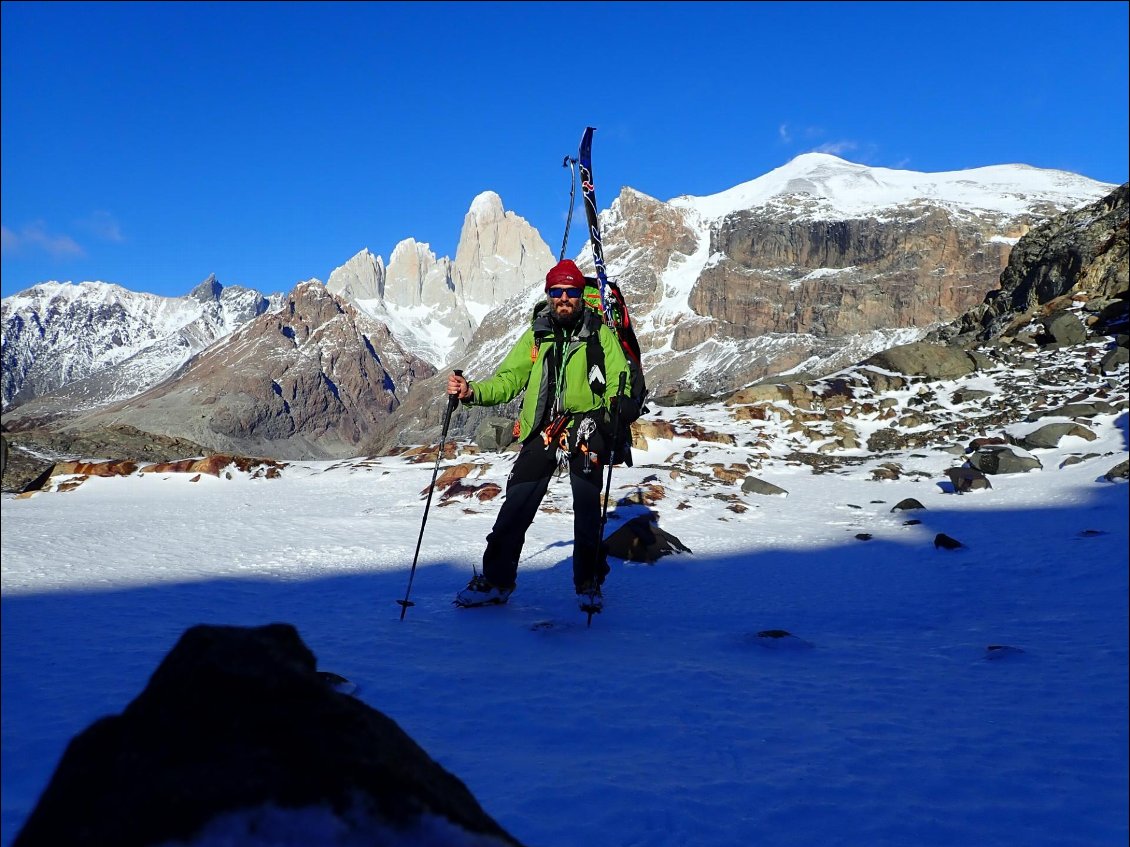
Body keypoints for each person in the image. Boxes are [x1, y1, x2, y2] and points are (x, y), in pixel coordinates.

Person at [448, 258, 633, 611]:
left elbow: (618, 378)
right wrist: (471, 392)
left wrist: (617, 408)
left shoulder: (600, 334)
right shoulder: (536, 335)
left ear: (582, 295)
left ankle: (588, 581)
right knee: (516, 505)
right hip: (543, 429)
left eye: (571, 291)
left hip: (587, 426)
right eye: (557, 291)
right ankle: (497, 580)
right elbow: (508, 380)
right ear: (548, 295)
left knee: (587, 508)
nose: (564, 297)